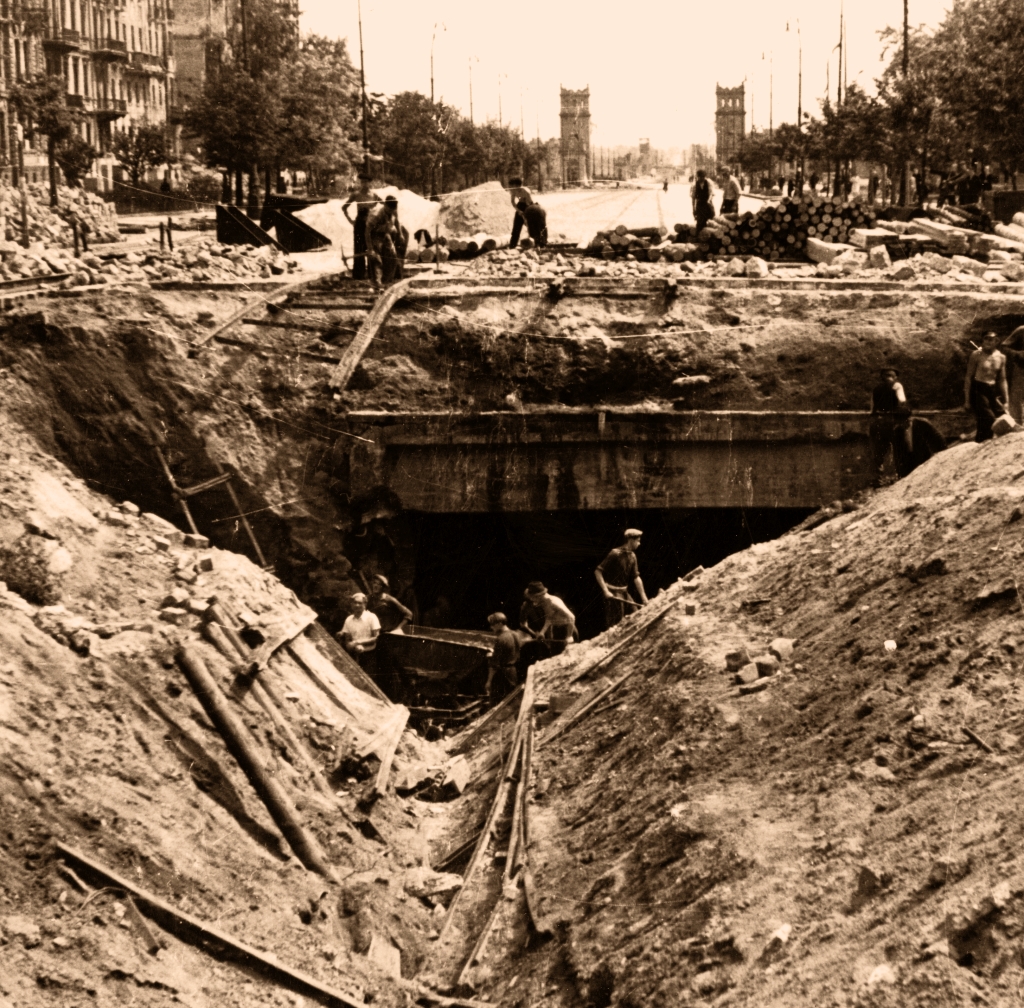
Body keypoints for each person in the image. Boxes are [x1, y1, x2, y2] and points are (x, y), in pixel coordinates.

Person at [595, 529, 648, 629]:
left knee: (637, 615)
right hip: (613, 593)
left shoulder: (632, 556)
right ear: (631, 540)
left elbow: (636, 577)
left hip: (624, 592)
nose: (639, 543)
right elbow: (598, 571)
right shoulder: (615, 553)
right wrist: (606, 591)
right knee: (616, 625)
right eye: (638, 541)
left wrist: (643, 597)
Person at [868, 368, 912, 483]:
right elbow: (902, 400)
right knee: (899, 448)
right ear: (895, 377)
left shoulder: (876, 389)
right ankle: (901, 475)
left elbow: (872, 408)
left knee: (878, 451)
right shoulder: (897, 385)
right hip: (892, 421)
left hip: (878, 421)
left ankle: (878, 478)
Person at [964, 332, 1009, 442]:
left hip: (991, 390)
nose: (988, 341)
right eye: (986, 339)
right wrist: (967, 400)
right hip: (978, 389)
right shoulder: (976, 355)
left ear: (996, 341)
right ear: (983, 341)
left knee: (1001, 417)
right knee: (988, 418)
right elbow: (968, 377)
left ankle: (980, 443)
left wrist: (1006, 400)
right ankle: (984, 443)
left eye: (991, 339)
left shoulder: (1001, 357)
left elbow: (1002, 379)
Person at [342, 174, 381, 281]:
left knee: (371, 248)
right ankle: (359, 275)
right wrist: (350, 220)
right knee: (359, 248)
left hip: (371, 224)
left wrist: (379, 218)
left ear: (370, 183)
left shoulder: (374, 195)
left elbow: (385, 205)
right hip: (359, 224)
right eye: (362, 182)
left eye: (366, 182)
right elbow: (344, 207)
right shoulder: (356, 195)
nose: (364, 184)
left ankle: (372, 274)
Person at [365, 194, 401, 288]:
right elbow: (367, 231)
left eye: (392, 210)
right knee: (376, 259)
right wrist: (370, 249)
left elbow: (397, 221)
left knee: (393, 256)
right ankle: (376, 282)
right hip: (374, 235)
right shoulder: (376, 215)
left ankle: (387, 281)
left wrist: (400, 234)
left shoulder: (394, 211)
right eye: (389, 209)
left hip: (386, 233)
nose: (391, 211)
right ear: (385, 205)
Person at [339, 592, 381, 670]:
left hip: (369, 655)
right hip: (354, 654)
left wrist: (358, 643)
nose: (357, 605)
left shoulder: (371, 617)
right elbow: (347, 640)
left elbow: (376, 638)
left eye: (360, 603)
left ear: (365, 605)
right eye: (355, 603)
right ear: (351, 604)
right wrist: (351, 646)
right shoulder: (349, 619)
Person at [484, 612, 520, 700]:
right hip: (513, 672)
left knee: (497, 701)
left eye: (493, 624)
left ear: (499, 624)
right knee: (510, 700)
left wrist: (489, 681)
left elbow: (494, 664)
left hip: (503, 675)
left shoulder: (501, 638)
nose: (491, 627)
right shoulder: (516, 634)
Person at [508, 177, 547, 248]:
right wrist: (518, 211)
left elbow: (529, 203)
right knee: (516, 227)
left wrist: (525, 216)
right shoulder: (513, 191)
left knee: (532, 227)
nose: (510, 187)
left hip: (529, 207)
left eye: (512, 185)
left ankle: (538, 244)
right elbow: (513, 202)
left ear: (516, 185)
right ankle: (512, 245)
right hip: (520, 206)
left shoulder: (526, 191)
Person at [1003, 326, 1024, 424]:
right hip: (1021, 369)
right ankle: (1017, 426)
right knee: (1016, 399)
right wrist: (1018, 354)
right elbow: (1004, 347)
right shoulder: (1021, 330)